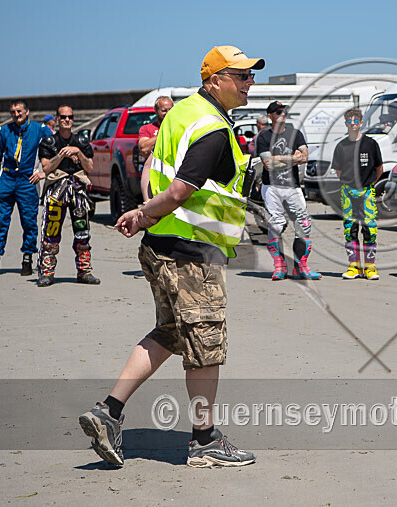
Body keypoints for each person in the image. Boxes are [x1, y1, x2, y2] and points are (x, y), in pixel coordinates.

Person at [78, 45, 264, 468]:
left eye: (250, 75)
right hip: (191, 255)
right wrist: (145, 214)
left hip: (162, 247)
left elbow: (150, 170)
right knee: (205, 344)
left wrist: (150, 213)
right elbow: (181, 189)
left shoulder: (181, 113)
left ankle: (108, 412)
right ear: (214, 80)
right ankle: (204, 441)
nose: (249, 82)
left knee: (171, 333)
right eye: (242, 76)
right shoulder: (212, 128)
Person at [32, 106, 99, 287]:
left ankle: (84, 271)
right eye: (63, 117)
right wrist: (62, 155)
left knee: (82, 231)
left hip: (78, 189)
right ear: (57, 118)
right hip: (56, 190)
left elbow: (90, 167)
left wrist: (77, 152)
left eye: (70, 117)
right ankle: (46, 272)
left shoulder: (82, 141)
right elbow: (46, 168)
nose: (67, 120)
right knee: (51, 231)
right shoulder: (48, 142)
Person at [0, 100, 53, 278]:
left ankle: (27, 258)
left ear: (27, 111)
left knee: (29, 222)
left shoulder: (38, 129)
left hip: (27, 180)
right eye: (13, 112)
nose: (16, 114)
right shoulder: (4, 131)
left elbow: (54, 146)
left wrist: (43, 173)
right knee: (1, 221)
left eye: (19, 111)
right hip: (7, 179)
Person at [256, 101, 319, 280]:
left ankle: (300, 266)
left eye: (284, 111)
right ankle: (279, 266)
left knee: (303, 225)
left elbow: (305, 157)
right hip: (272, 188)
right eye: (277, 112)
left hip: (292, 187)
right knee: (275, 226)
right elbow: (268, 164)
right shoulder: (263, 137)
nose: (282, 114)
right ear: (270, 116)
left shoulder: (295, 134)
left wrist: (280, 158)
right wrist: (293, 158)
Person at [332, 108, 383, 280]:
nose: (353, 124)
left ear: (361, 123)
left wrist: (368, 185)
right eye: (349, 121)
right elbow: (338, 171)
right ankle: (354, 266)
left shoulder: (371, 144)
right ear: (345, 124)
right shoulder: (341, 145)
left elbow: (379, 169)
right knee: (350, 229)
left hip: (367, 191)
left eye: (356, 121)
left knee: (370, 229)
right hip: (347, 192)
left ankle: (370, 267)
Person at [139, 96, 174, 202]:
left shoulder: (179, 126)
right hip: (153, 175)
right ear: (156, 111)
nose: (168, 113)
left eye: (170, 110)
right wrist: (164, 134)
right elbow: (143, 148)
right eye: (164, 110)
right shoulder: (147, 129)